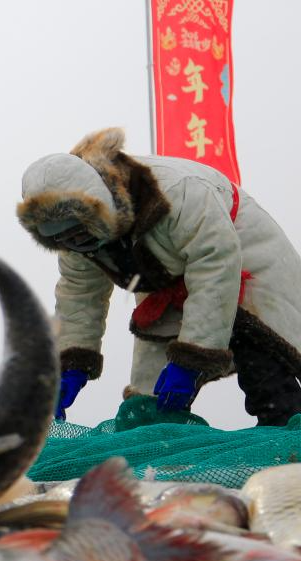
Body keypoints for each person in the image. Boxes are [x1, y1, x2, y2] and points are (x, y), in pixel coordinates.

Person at [17, 127, 301, 426]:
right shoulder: (73, 242)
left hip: (241, 258)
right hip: (166, 283)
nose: (75, 242)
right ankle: (162, 448)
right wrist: (71, 362)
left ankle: (285, 432)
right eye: (61, 238)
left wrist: (193, 357)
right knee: (148, 403)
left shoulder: (180, 192)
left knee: (260, 358)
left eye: (78, 231)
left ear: (97, 207)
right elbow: (79, 295)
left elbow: (214, 266)